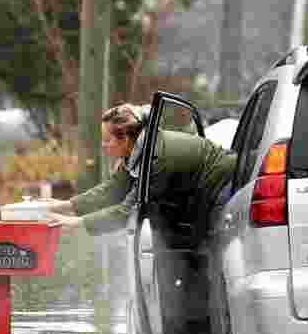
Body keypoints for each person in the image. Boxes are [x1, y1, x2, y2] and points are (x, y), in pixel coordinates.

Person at [45, 102, 236, 240]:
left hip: (224, 184)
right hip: (202, 191)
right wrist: (65, 206)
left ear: (125, 139)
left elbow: (127, 212)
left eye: (106, 140)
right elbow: (113, 190)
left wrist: (76, 223)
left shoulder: (155, 159)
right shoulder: (137, 152)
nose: (103, 146)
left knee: (215, 244)